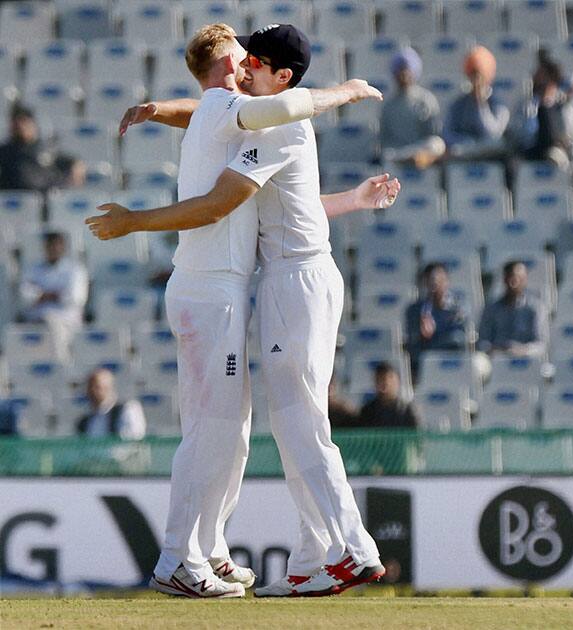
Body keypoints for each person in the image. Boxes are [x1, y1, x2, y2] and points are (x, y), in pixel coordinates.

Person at [88, 23, 398, 598]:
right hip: (243, 288)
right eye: (243, 57)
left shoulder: (271, 122)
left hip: (287, 284)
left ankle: (344, 550)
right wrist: (157, 111)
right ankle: (270, 556)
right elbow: (211, 120)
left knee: (284, 424)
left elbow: (223, 195)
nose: (248, 65)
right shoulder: (248, 115)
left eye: (258, 60)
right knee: (242, 428)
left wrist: (351, 90)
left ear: (277, 76)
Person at [17, 231, 88, 362]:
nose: (53, 249)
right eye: (50, 245)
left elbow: (75, 298)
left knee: (52, 326)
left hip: (66, 323)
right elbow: (25, 297)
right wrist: (57, 294)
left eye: (57, 245)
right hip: (35, 321)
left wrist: (41, 295)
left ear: (63, 247)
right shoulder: (32, 269)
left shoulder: (75, 270)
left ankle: (61, 364)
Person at [506, 49, 573, 170]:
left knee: (556, 157)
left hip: (555, 147)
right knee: (512, 164)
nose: (535, 76)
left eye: (541, 73)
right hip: (531, 147)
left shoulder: (564, 104)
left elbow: (568, 132)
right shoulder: (526, 104)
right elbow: (517, 129)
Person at [379, 46, 445, 169]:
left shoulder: (426, 100)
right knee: (387, 156)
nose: (404, 75)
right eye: (400, 70)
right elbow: (384, 140)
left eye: (406, 70)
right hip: (397, 153)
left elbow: (434, 135)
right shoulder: (388, 105)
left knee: (437, 144)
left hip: (421, 151)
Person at [404, 262, 470, 382]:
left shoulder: (458, 307)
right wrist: (422, 336)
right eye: (430, 279)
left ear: (447, 281)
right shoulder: (414, 310)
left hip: (452, 364)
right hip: (422, 365)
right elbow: (412, 342)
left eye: (438, 278)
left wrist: (433, 336)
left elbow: (458, 339)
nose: (434, 282)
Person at [442, 46, 510, 160]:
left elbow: (492, 134)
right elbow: (448, 133)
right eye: (473, 75)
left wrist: (480, 104)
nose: (476, 80)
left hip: (487, 152)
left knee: (498, 144)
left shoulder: (498, 104)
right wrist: (467, 142)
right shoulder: (459, 103)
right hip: (464, 150)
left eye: (479, 75)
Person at [0, 104, 84, 191]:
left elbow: (73, 162)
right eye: (16, 124)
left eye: (24, 122)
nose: (20, 127)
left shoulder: (45, 148)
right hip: (10, 199)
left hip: (43, 198)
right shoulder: (5, 151)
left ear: (33, 124)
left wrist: (76, 168)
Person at [476, 260, 547, 357]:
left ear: (525, 280)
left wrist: (523, 350)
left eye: (519, 278)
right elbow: (482, 342)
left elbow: (541, 345)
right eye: (511, 277)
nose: (514, 282)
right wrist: (496, 349)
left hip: (526, 360)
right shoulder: (491, 309)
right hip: (496, 359)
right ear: (504, 279)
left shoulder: (536, 308)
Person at [75, 368, 146, 439]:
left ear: (109, 388)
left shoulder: (128, 409)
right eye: (90, 387)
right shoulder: (85, 422)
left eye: (97, 387)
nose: (92, 391)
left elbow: (132, 441)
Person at [357, 362, 419, 429]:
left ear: (397, 382)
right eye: (380, 380)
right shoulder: (367, 411)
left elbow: (416, 436)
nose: (385, 383)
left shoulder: (406, 410)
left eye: (389, 379)